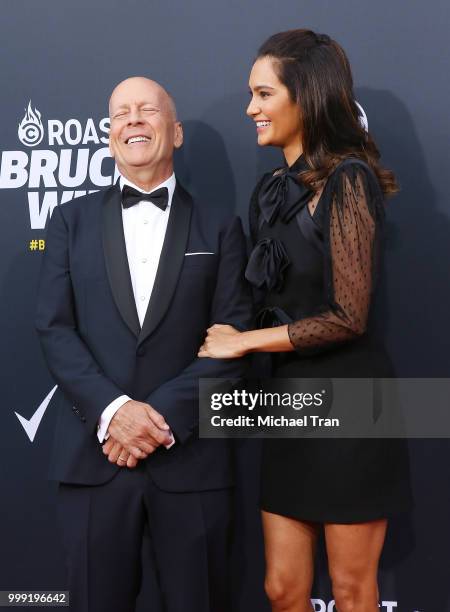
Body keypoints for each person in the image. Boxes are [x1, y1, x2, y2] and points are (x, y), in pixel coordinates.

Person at [199, 30, 412, 612]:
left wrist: (243, 342)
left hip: (353, 407)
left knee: (350, 590)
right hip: (288, 406)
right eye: (251, 94)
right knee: (282, 589)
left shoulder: (349, 182)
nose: (251, 108)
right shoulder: (269, 191)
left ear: (307, 96)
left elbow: (348, 318)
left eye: (263, 94)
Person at [35, 76, 252, 612]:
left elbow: (232, 338)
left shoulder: (221, 228)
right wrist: (115, 413)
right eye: (121, 113)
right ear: (109, 136)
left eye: (148, 111)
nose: (133, 120)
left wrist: (154, 420)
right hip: (94, 460)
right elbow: (54, 328)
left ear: (175, 133)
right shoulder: (68, 222)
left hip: (192, 461)